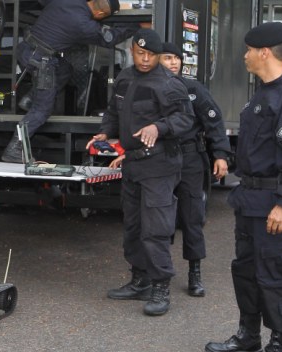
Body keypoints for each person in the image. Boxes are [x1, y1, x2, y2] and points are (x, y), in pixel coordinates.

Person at [205, 22, 282, 352]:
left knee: (274, 274)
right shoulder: (263, 93)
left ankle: (277, 343)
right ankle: (248, 336)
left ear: (264, 52)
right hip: (250, 200)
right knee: (245, 271)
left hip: (274, 203)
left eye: (248, 50)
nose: (245, 56)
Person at [85, 28, 194, 316]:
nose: (146, 59)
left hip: (159, 165)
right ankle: (139, 280)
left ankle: (160, 287)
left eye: (152, 55)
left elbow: (185, 119)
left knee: (155, 229)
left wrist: (159, 127)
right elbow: (113, 111)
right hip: (132, 163)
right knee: (133, 226)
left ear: (159, 56)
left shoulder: (170, 84)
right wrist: (105, 133)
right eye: (140, 53)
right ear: (132, 50)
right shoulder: (125, 77)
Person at [1, 0, 140, 163]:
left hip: (27, 49)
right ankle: (14, 149)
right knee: (42, 110)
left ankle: (30, 98)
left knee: (65, 70)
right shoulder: (83, 24)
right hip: (41, 61)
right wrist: (136, 26)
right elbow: (109, 38)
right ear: (101, 14)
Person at [159, 42, 231, 297]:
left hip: (190, 158)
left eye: (176, 58)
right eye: (167, 58)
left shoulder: (193, 88)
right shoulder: (149, 88)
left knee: (192, 218)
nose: (174, 63)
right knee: (160, 219)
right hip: (160, 158)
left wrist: (221, 154)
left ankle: (194, 274)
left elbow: (214, 121)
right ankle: (159, 275)